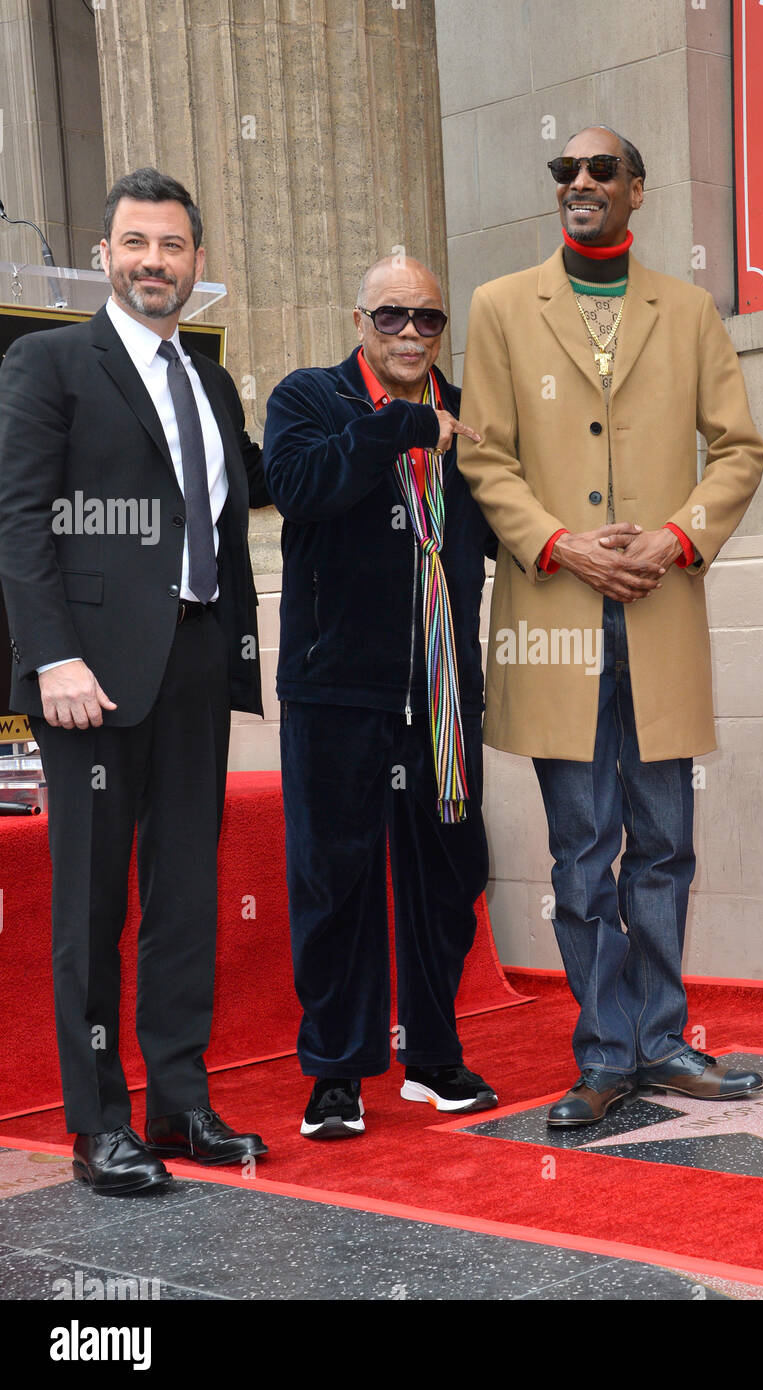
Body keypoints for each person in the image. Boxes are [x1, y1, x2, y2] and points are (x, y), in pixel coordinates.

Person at [458, 127, 763, 1128]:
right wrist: (561, 545)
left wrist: (676, 537)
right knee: (582, 850)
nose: (578, 183)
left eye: (600, 171)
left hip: (659, 616)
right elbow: (485, 459)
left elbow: (737, 448)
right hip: (555, 618)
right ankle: (603, 1051)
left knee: (665, 842)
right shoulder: (503, 306)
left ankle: (663, 1040)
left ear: (637, 189)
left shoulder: (685, 312)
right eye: (565, 171)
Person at [0, 168, 269, 1192]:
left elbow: (236, 504)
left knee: (186, 894)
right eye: (135, 243)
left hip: (199, 661)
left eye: (172, 245)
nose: (154, 260)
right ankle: (99, 1120)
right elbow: (19, 520)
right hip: (92, 678)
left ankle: (181, 1100)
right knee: (91, 903)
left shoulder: (209, 380)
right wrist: (50, 654)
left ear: (199, 262)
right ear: (106, 255)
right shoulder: (51, 362)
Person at [264, 255, 499, 1138]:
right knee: (336, 882)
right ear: (359, 318)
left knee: (449, 877)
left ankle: (432, 1056)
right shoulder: (309, 397)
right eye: (391, 316)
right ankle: (337, 1072)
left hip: (440, 689)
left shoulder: (469, 416)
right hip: (336, 691)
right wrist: (397, 426)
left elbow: (508, 524)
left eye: (427, 320)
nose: (409, 333)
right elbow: (299, 488)